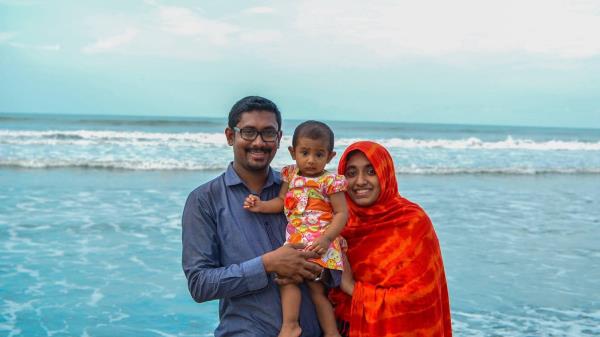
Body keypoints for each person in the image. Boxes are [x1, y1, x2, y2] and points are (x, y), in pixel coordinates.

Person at [182, 96, 325, 337]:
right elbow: (200, 284)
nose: (259, 142)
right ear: (230, 136)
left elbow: (333, 249)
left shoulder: (301, 189)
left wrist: (320, 269)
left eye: (268, 133)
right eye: (248, 132)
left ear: (279, 139)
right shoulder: (204, 200)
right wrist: (267, 265)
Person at [329, 141, 452, 337]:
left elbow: (420, 298)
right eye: (351, 173)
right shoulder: (337, 221)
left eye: (371, 171)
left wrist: (352, 288)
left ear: (385, 174)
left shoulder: (411, 222)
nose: (360, 181)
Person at [244, 121, 348, 337]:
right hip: (296, 240)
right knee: (287, 278)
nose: (311, 160)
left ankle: (330, 332)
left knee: (317, 289)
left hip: (320, 242)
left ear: (330, 156)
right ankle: (291, 325)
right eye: (305, 152)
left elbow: (341, 214)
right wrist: (261, 206)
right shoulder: (291, 175)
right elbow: (282, 200)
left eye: (319, 154)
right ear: (293, 152)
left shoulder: (330, 181)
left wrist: (328, 239)